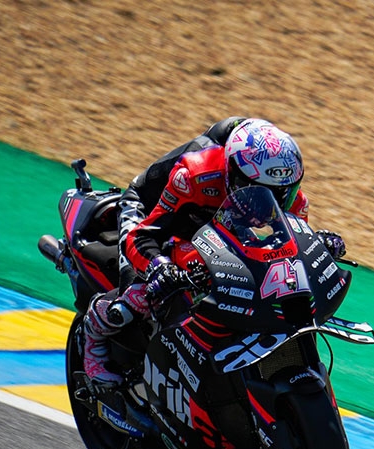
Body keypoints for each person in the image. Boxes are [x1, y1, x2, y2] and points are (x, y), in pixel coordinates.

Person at [82, 117, 346, 384]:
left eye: (283, 192)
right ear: (234, 174)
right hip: (154, 211)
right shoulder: (194, 176)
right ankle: (95, 331)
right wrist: (159, 267)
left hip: (218, 223)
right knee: (144, 286)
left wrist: (317, 244)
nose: (276, 201)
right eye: (263, 191)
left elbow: (289, 251)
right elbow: (144, 236)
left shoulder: (294, 198)